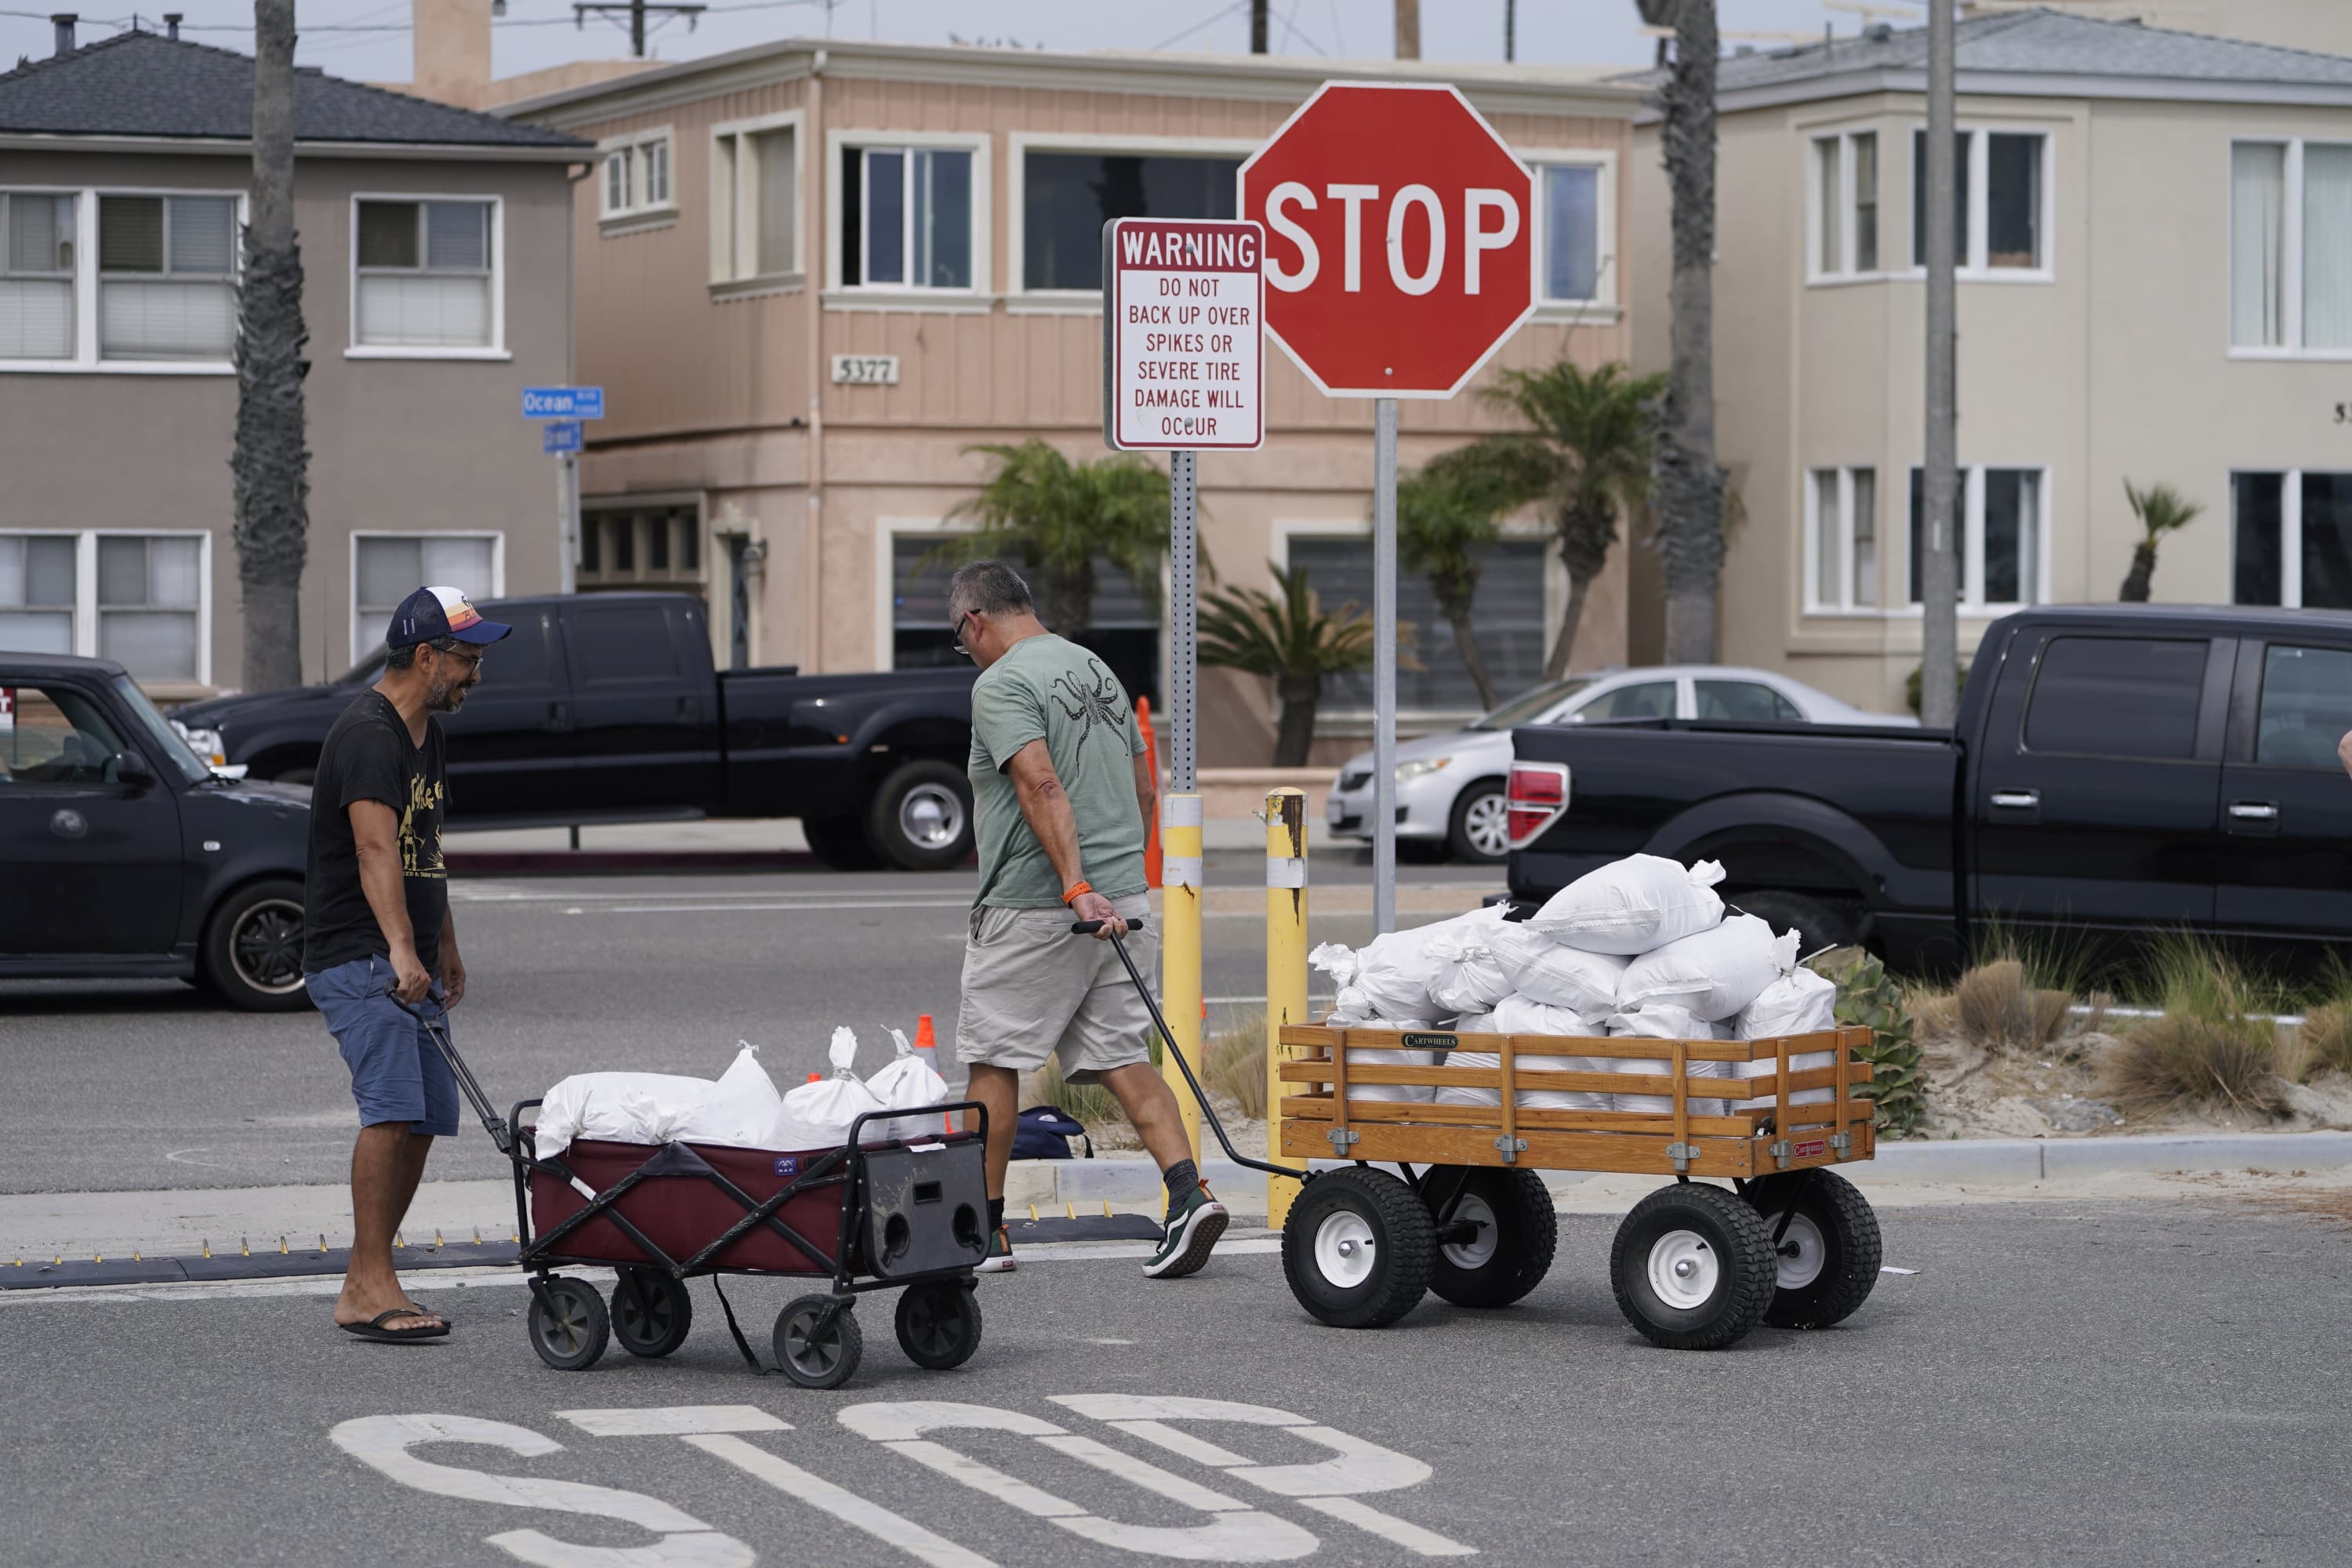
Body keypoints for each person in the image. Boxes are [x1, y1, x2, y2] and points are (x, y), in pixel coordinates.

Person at [949, 560, 1227, 1278]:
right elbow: (1143, 784)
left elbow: (1039, 781)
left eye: (961, 638)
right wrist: (1115, 881)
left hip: (1038, 907)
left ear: (974, 620)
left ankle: (983, 1230)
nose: (966, 651)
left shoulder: (1002, 682)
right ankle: (1187, 1194)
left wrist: (1075, 887)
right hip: (1124, 901)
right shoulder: (1095, 669)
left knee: (995, 1060)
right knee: (1121, 1056)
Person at [303, 586, 510, 1341]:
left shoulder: (427, 734)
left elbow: (425, 846)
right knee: (390, 1111)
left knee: (423, 1116)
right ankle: (366, 1283)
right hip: (360, 955)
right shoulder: (369, 733)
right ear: (426, 657)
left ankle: (371, 1270)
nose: (476, 674)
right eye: (466, 658)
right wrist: (398, 948)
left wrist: (444, 940)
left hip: (405, 954)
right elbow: (373, 847)